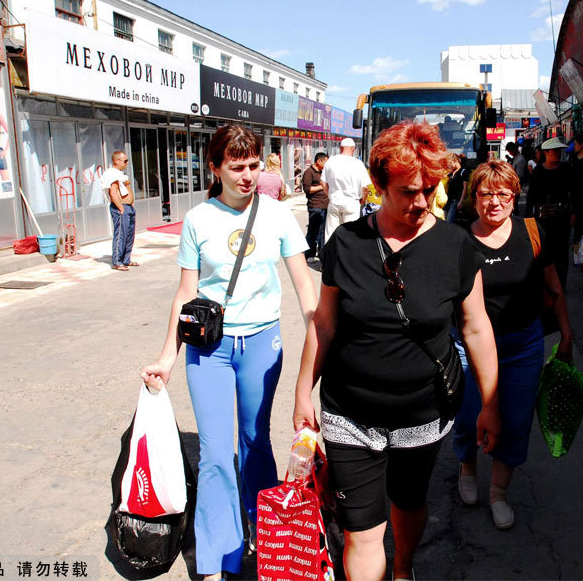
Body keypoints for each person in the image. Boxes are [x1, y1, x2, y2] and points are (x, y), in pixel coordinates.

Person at [293, 121, 501, 581]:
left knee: (409, 503)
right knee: (362, 531)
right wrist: (301, 392)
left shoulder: (456, 246)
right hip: (349, 412)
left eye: (430, 188)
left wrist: (490, 404)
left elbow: (476, 327)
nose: (422, 202)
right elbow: (324, 324)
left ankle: (404, 568)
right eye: (408, 191)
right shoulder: (345, 244)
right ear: (379, 184)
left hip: (423, 411)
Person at [141, 124, 317, 580]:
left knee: (256, 442)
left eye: (254, 166)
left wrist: (321, 350)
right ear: (215, 167)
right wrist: (167, 358)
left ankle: (263, 539)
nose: (247, 176)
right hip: (211, 350)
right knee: (217, 453)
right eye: (236, 167)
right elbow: (185, 294)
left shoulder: (278, 215)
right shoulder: (199, 220)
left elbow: (304, 288)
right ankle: (219, 556)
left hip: (263, 343)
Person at [452, 159, 572, 530]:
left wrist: (567, 333)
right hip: (469, 346)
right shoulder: (458, 237)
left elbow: (553, 287)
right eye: (486, 194)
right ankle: (467, 467)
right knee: (469, 413)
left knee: (516, 420)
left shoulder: (532, 233)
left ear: (515, 197)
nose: (494, 202)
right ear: (474, 197)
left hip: (522, 344)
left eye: (503, 194)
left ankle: (498, 493)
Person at [525, 137, 572, 287]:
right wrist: (527, 219)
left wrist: (573, 212)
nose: (557, 154)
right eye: (554, 151)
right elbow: (531, 196)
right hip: (543, 219)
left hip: (562, 217)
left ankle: (561, 284)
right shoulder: (538, 171)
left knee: (562, 252)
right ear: (546, 152)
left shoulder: (566, 169)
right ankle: (546, 284)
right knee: (544, 251)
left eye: (559, 151)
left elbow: (574, 192)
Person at [324, 137, 371, 240]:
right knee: (350, 234)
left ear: (341, 148)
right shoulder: (358, 164)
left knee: (331, 233)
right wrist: (362, 200)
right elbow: (365, 188)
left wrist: (329, 195)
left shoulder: (331, 161)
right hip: (351, 202)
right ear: (353, 149)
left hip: (334, 201)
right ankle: (347, 255)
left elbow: (323, 183)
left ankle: (329, 255)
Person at [104, 151, 136, 271]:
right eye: (125, 161)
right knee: (121, 234)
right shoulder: (112, 174)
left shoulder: (120, 174)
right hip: (121, 207)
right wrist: (121, 208)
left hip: (128, 207)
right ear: (116, 161)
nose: (126, 163)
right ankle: (117, 261)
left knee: (129, 234)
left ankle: (126, 259)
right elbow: (113, 192)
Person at [303, 152, 328, 261]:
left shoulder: (323, 172)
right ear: (319, 161)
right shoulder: (309, 173)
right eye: (325, 162)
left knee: (323, 232)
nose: (326, 165)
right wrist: (321, 187)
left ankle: (322, 253)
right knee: (313, 231)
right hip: (315, 206)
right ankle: (309, 254)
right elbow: (308, 189)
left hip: (325, 205)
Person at [445, 153, 467, 223]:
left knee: (449, 221)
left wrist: (460, 201)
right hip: (448, 199)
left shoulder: (463, 171)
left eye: (451, 163)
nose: (450, 166)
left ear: (456, 161)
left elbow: (465, 188)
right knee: (444, 219)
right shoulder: (451, 172)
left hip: (456, 200)